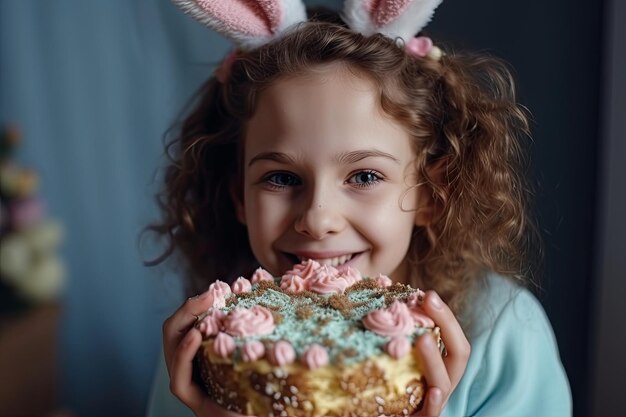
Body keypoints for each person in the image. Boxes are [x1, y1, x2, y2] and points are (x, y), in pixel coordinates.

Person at [146, 1, 572, 416]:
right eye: (281, 178)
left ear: (429, 192)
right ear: (240, 197)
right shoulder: (217, 349)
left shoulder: (502, 333)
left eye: (365, 176)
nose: (317, 219)